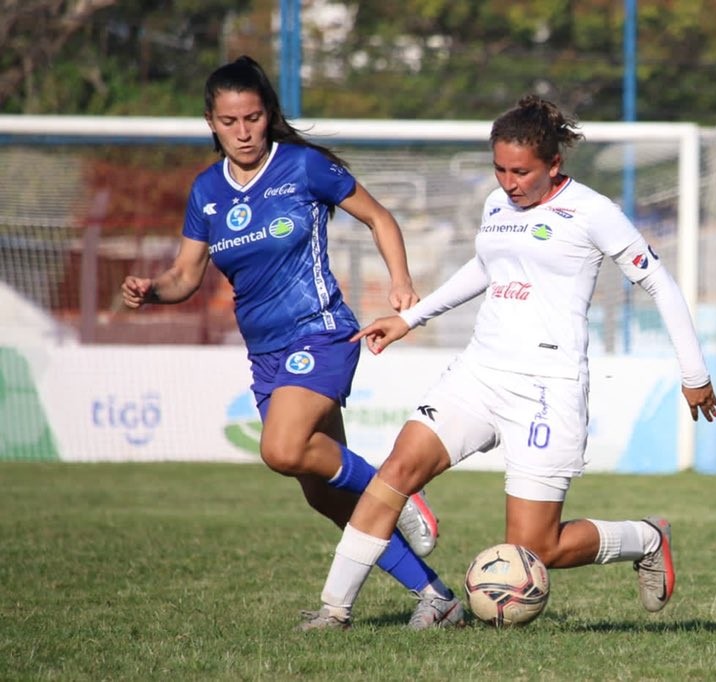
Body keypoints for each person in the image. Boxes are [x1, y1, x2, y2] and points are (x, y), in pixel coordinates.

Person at [310, 95, 716, 627]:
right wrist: (412, 319)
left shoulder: (594, 211)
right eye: (499, 169)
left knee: (536, 548)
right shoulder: (497, 206)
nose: (509, 182)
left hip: (548, 387)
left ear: (555, 164)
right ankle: (332, 613)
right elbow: (484, 268)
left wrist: (694, 374)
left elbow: (659, 285)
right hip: (480, 372)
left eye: (521, 172)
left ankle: (646, 537)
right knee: (395, 471)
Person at [119, 55, 462, 630]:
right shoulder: (206, 192)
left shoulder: (303, 167)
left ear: (268, 115)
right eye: (230, 121)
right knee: (324, 494)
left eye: (253, 117)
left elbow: (379, 218)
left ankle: (396, 491)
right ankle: (437, 596)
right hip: (266, 354)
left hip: (322, 330)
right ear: (211, 121)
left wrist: (401, 280)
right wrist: (152, 290)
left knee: (280, 449)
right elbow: (185, 276)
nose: (244, 131)